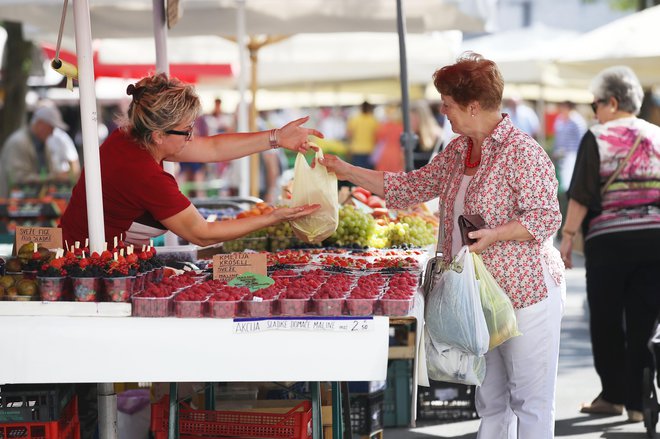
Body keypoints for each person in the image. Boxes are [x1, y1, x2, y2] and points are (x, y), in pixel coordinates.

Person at [320, 52, 565, 439]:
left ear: (472, 106)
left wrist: (497, 233)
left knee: (531, 401)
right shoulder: (457, 150)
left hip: (526, 294)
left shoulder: (523, 152)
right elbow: (409, 187)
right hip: (480, 297)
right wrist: (346, 170)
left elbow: (546, 216)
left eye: (447, 104)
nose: (443, 112)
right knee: (491, 398)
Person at [59, 73, 321, 248]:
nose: (192, 137)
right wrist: (273, 217)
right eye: (187, 131)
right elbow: (201, 233)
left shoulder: (134, 137)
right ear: (159, 135)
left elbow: (214, 148)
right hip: (87, 267)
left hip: (97, 253)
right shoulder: (145, 175)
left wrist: (277, 137)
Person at [560, 66, 660, 423]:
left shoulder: (597, 136)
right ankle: (637, 403)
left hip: (609, 244)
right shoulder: (657, 135)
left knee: (605, 319)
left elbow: (582, 194)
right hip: (654, 242)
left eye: (596, 104)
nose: (593, 111)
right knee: (644, 322)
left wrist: (567, 238)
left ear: (612, 102)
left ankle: (613, 396)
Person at [0, 104, 80, 198]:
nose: (52, 132)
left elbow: (48, 170)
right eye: (51, 127)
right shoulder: (18, 142)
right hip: (12, 203)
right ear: (40, 124)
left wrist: (58, 176)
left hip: (30, 202)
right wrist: (54, 177)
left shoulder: (42, 143)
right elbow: (18, 178)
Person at [553, 100, 587, 192]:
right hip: (561, 154)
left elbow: (582, 138)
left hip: (573, 154)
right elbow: (558, 137)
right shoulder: (560, 119)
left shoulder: (577, 121)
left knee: (569, 180)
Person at [411, 100, 443, 169]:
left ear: (421, 119)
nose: (410, 123)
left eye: (412, 120)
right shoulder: (411, 139)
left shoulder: (439, 139)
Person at [346, 101, 379, 169]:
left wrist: (349, 148)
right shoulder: (374, 120)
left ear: (361, 108)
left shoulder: (355, 119)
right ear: (369, 108)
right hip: (370, 150)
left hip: (356, 150)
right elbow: (377, 136)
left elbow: (349, 135)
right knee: (369, 174)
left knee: (356, 174)